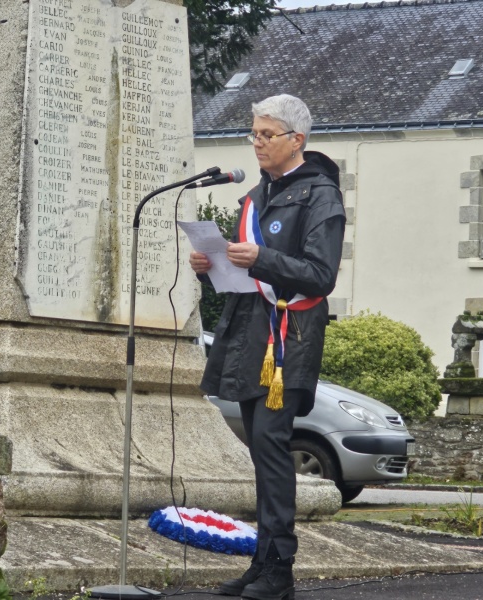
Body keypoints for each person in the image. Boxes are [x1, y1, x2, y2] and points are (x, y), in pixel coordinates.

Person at [190, 94, 346, 600]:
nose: (255, 142)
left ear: (295, 140)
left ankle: (280, 569)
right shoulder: (256, 196)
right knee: (260, 451)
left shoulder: (320, 195)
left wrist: (259, 257)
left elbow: (320, 276)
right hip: (248, 333)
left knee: (274, 449)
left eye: (265, 134)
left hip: (288, 338)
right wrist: (216, 264)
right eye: (253, 133)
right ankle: (261, 564)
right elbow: (251, 271)